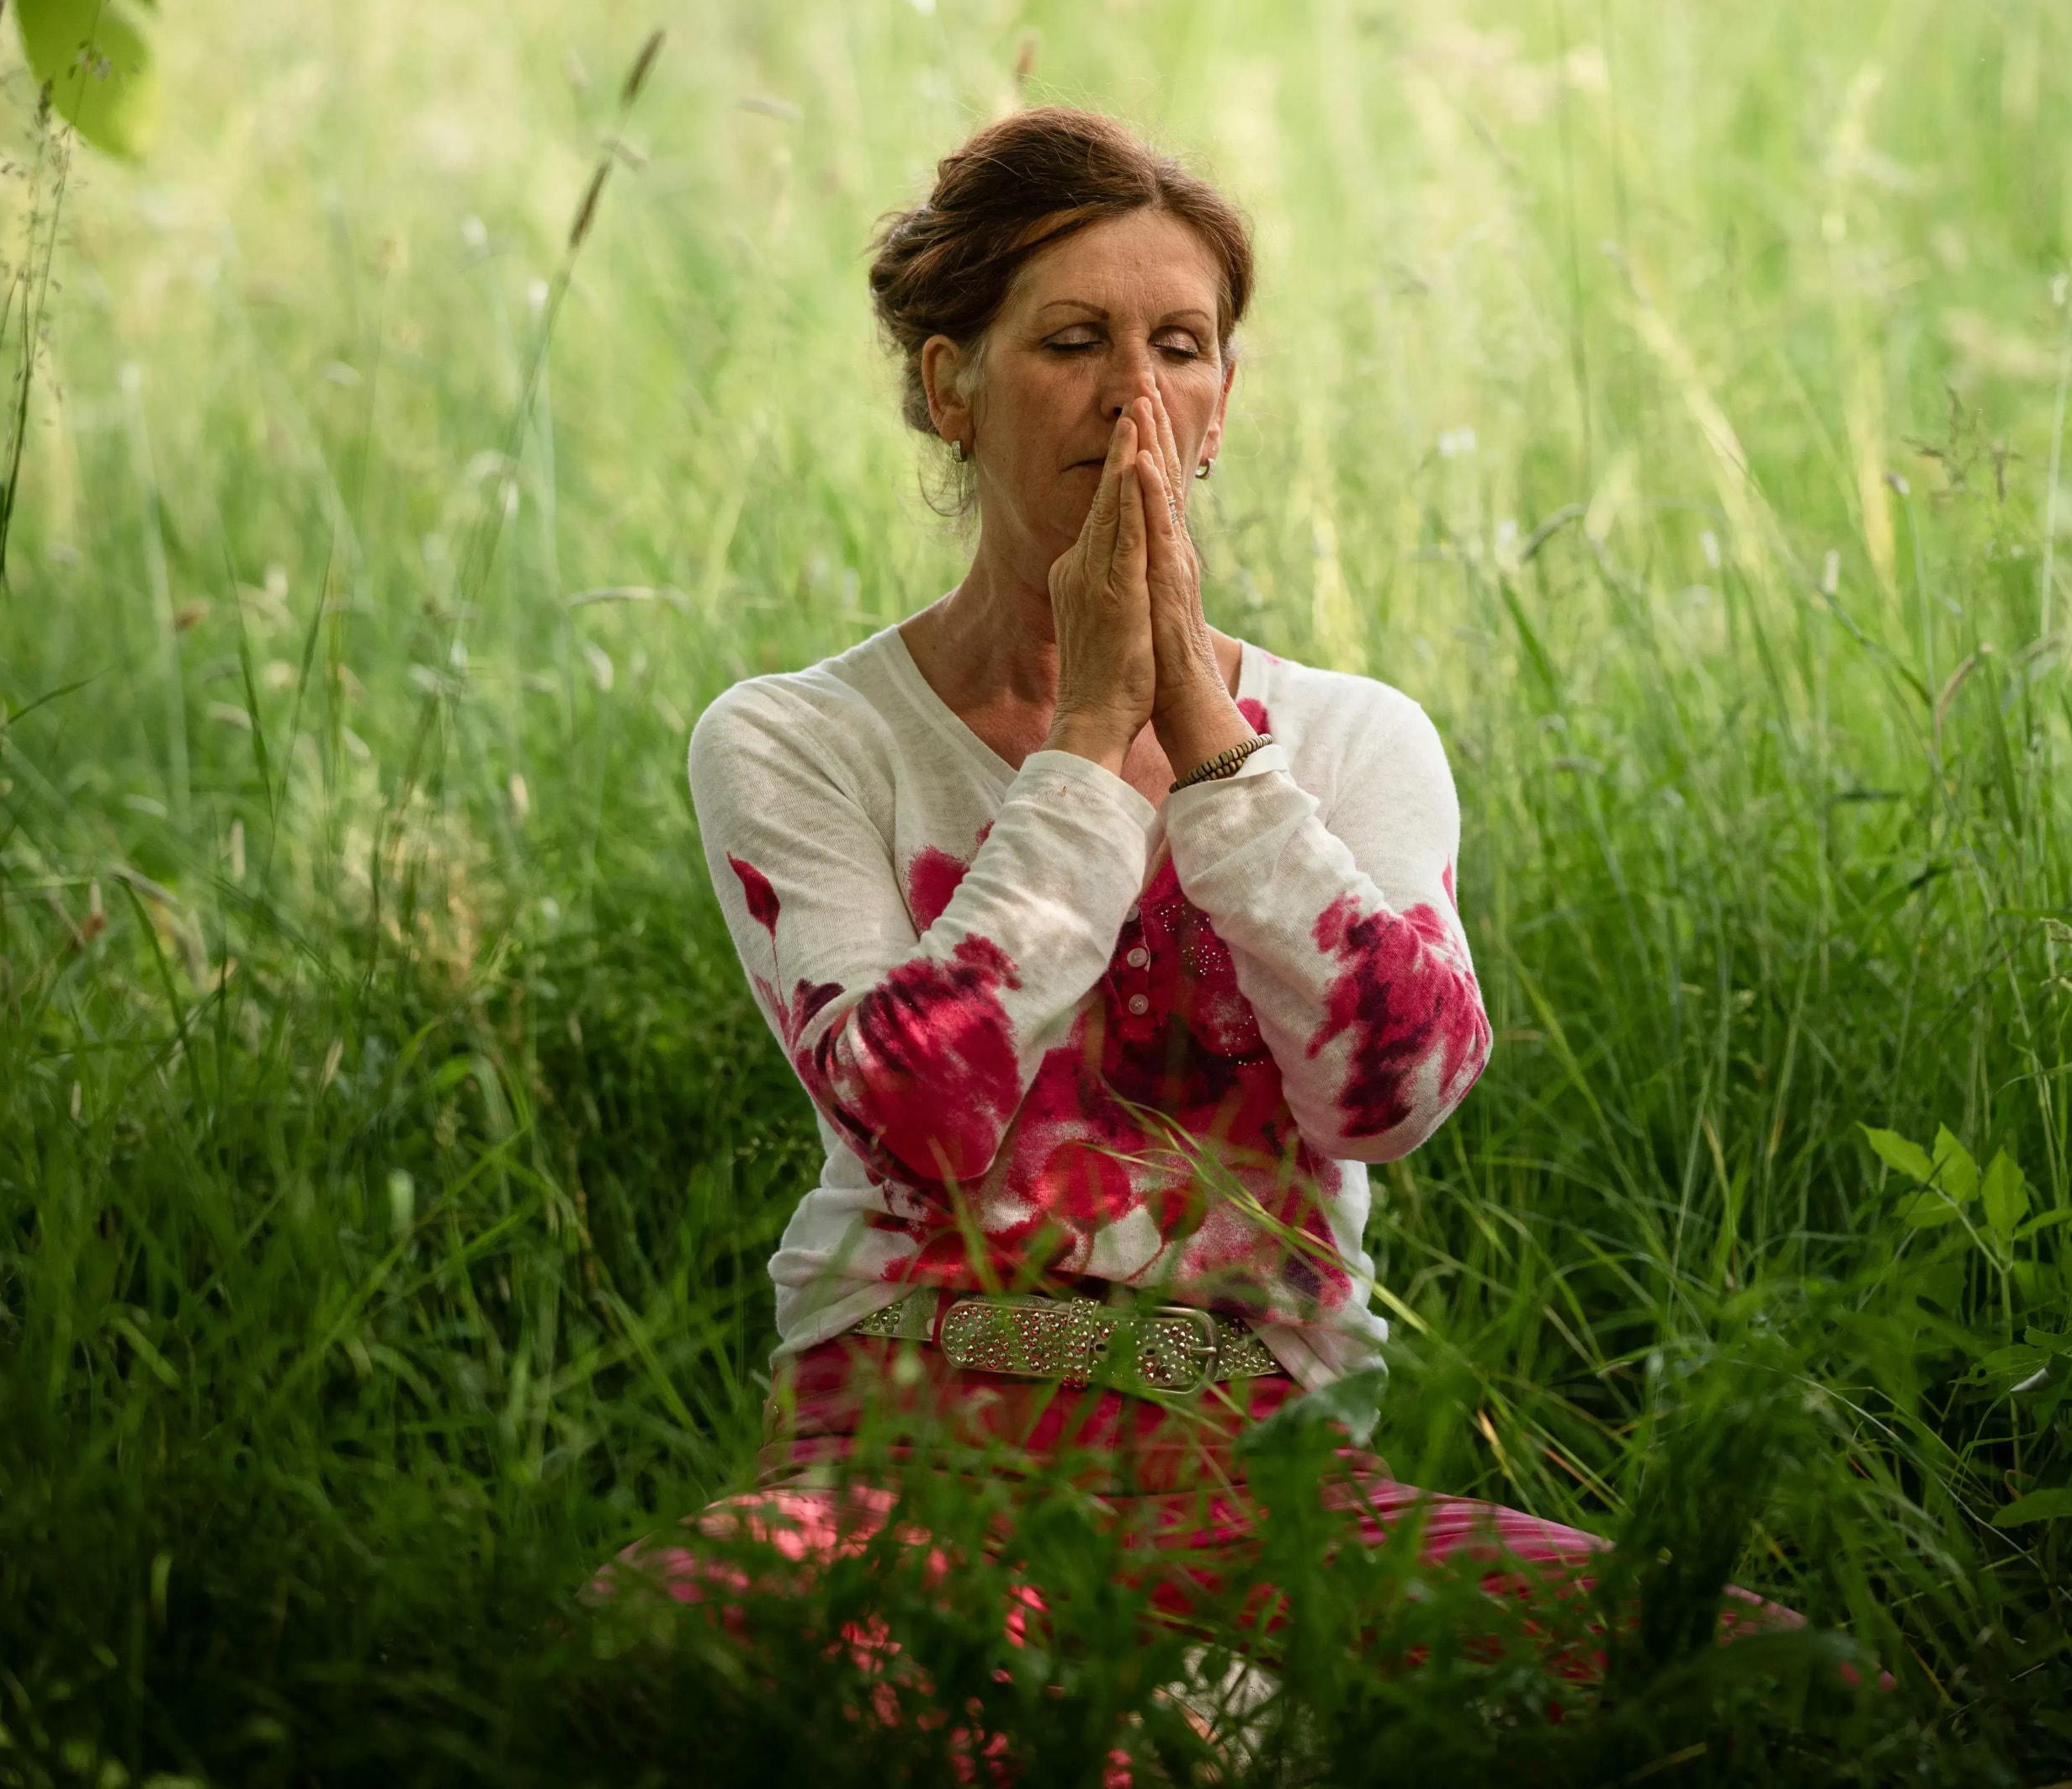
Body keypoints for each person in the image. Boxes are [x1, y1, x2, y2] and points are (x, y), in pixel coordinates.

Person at [593, 107, 1780, 1675]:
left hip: (1270, 1480)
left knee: (1776, 1687)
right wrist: (1089, 745)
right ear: (949, 385)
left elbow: (1397, 1088)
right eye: (1073, 341)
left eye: (1183, 345)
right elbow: (924, 1115)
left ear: (1224, 406)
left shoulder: (1354, 736)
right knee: (678, 1639)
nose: (1135, 397)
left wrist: (1212, 751)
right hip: (905, 1445)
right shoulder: (801, 737)